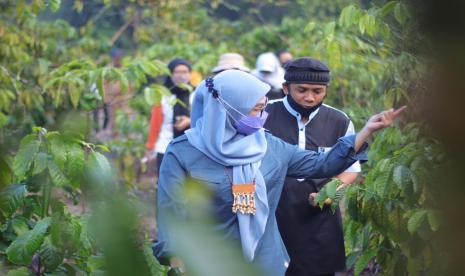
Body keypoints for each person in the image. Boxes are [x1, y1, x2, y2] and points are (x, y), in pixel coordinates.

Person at [153, 70, 405, 276]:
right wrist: (176, 258)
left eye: (264, 108)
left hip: (263, 259)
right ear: (227, 108)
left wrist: (365, 132)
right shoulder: (183, 151)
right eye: (255, 110)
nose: (262, 117)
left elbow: (322, 164)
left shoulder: (269, 146)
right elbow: (170, 208)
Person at [265, 57, 359, 276]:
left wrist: (329, 193)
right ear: (286, 88)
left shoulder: (339, 121)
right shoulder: (264, 115)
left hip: (320, 220)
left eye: (318, 91)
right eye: (302, 90)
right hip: (271, 215)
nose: (309, 97)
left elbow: (351, 170)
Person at [144, 58, 193, 172]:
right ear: (170, 74)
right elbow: (155, 123)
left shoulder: (197, 94)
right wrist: (150, 147)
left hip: (192, 148)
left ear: (190, 74)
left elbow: (205, 119)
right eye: (177, 72)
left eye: (185, 72)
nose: (182, 76)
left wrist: (190, 121)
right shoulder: (162, 96)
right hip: (165, 146)